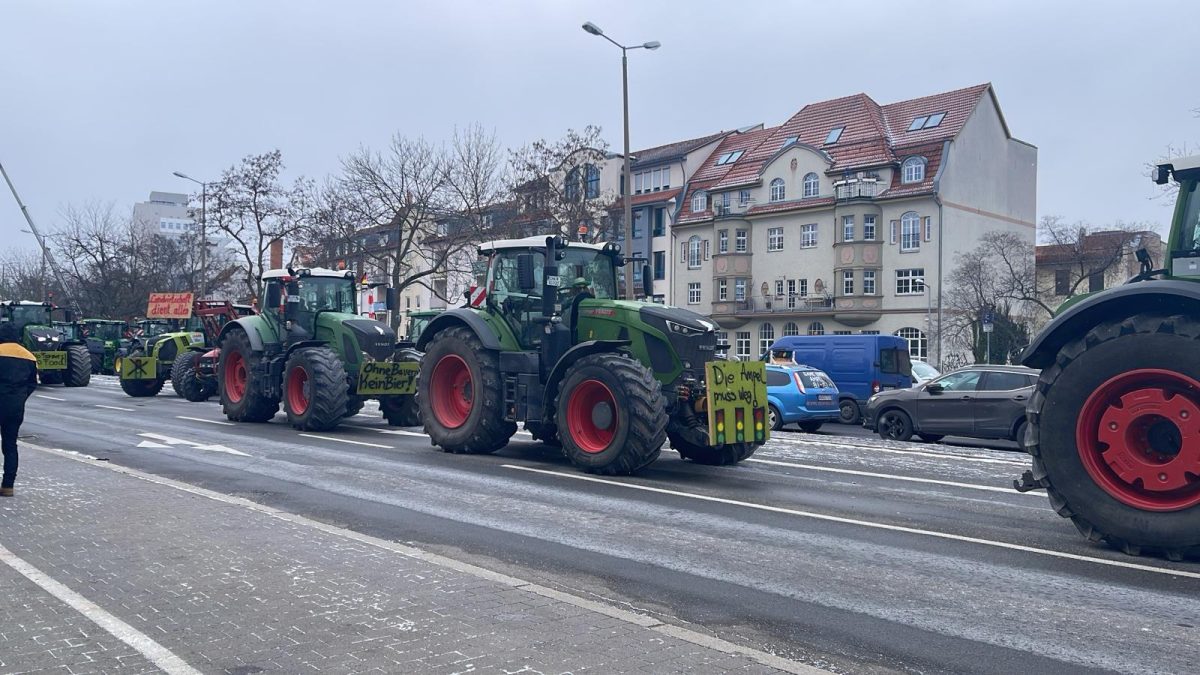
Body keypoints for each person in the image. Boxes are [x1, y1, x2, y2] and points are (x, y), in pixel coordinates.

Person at [0, 321, 38, 497]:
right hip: (15, 408)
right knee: (10, 445)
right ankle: (8, 486)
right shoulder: (29, 356)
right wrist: (20, 398)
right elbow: (32, 384)